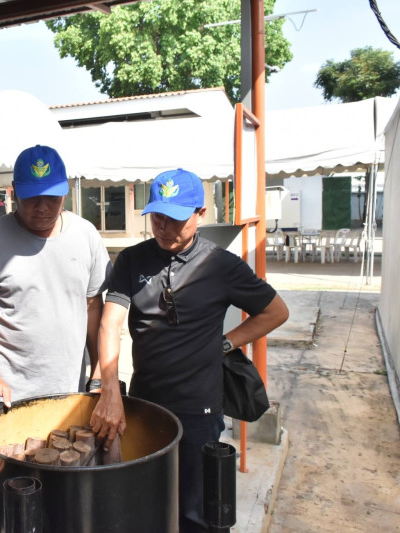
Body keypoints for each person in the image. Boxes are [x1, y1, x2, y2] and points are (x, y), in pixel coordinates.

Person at [90, 169, 289, 533]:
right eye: (157, 217)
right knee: (147, 504)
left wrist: (226, 343)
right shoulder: (132, 261)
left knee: (197, 512)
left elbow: (276, 311)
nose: (164, 228)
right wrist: (111, 390)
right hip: (146, 403)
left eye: (176, 219)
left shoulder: (221, 265)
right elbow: (110, 323)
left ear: (200, 213)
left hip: (200, 409)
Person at [0, 145, 112, 421]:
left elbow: (93, 307)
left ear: (65, 192)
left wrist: (98, 372)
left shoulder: (86, 235)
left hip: (70, 392)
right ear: (14, 191)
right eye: (31, 197)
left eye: (52, 197)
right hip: (9, 396)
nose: (42, 207)